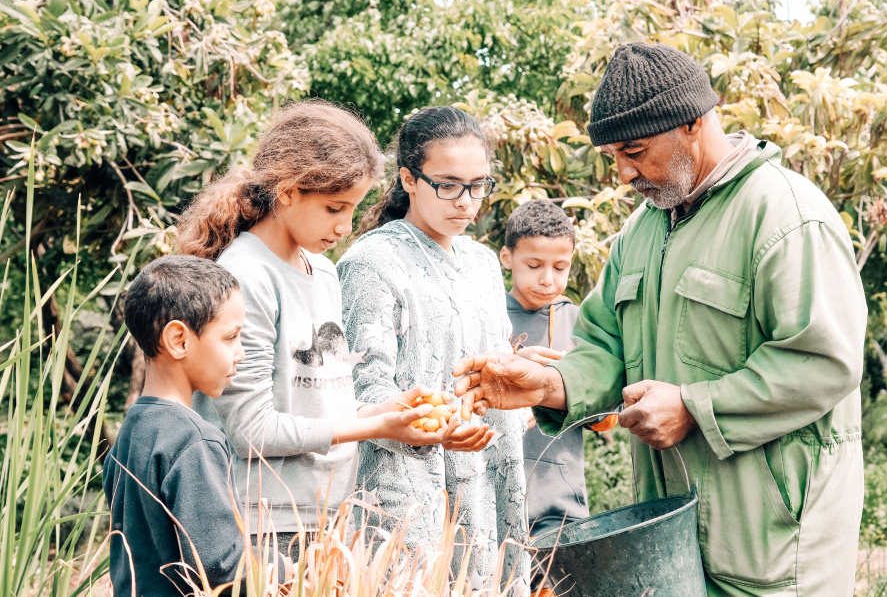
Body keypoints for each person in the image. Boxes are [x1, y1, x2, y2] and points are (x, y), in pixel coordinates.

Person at [453, 42, 867, 596]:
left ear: (693, 124)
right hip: (671, 539)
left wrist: (696, 407)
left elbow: (823, 361)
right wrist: (551, 385)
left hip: (775, 551)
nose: (623, 173)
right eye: (614, 156)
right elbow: (604, 344)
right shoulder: (643, 232)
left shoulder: (787, 215)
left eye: (635, 151)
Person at [175, 100, 452, 558]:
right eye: (333, 208)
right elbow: (251, 431)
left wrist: (384, 415)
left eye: (353, 209)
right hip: (263, 526)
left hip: (326, 517)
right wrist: (375, 425)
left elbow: (322, 404)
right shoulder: (247, 275)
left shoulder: (322, 271)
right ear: (287, 190)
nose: (345, 226)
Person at [337, 106, 530, 593]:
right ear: (408, 178)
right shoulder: (371, 262)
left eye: (478, 185)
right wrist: (436, 425)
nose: (466, 202)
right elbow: (363, 389)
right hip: (407, 489)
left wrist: (524, 373)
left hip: (490, 479)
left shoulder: (484, 263)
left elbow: (493, 358)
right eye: (448, 185)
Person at [104, 255, 287, 596]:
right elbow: (221, 568)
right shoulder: (194, 440)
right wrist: (291, 566)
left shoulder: (131, 432)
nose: (241, 353)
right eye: (231, 337)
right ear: (179, 340)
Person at [501, 200, 617, 597]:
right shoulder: (486, 316)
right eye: (534, 266)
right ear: (507, 258)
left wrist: (570, 384)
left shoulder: (582, 323)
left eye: (560, 267)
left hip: (559, 503)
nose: (547, 279)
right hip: (492, 498)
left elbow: (607, 418)